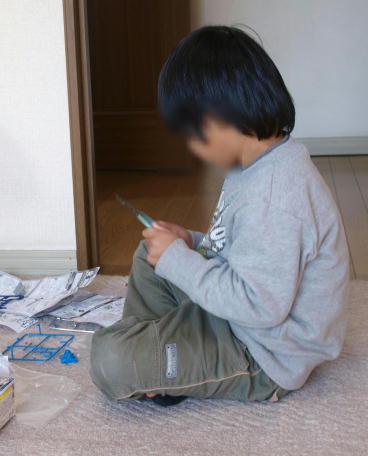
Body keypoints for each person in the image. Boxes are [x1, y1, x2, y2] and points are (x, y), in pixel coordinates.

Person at [90, 26, 349, 405]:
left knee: (110, 360)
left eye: (194, 135)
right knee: (151, 256)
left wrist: (180, 260)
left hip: (265, 352)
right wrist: (191, 242)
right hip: (238, 317)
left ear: (222, 116)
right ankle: (161, 363)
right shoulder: (253, 165)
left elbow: (259, 306)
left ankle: (158, 366)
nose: (192, 148)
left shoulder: (275, 196)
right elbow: (238, 249)